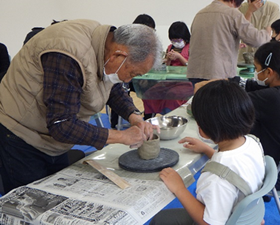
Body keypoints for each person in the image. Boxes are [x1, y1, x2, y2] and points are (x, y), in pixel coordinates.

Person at [0, 19, 163, 194]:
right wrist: (121, 136)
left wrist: (134, 116)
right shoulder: (67, 53)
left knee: (58, 196)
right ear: (118, 56)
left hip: (54, 140)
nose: (128, 80)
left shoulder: (106, 49)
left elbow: (111, 87)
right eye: (132, 73)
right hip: (21, 135)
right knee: (30, 204)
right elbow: (61, 125)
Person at [150, 80, 265, 225]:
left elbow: (209, 223)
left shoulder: (215, 180)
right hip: (244, 216)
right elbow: (233, 173)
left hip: (224, 219)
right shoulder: (253, 142)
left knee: (160, 220)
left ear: (203, 127)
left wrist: (179, 189)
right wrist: (207, 150)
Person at [196, 41, 280, 191]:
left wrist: (204, 93)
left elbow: (232, 101)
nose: (255, 74)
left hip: (277, 172)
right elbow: (245, 84)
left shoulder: (272, 97)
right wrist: (214, 82)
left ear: (269, 72)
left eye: (257, 69)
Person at [187, 0, 271, 86]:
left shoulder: (200, 14)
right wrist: (268, 32)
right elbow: (256, 40)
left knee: (201, 99)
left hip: (195, 73)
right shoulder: (232, 14)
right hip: (217, 74)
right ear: (233, 1)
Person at [110, 14, 156, 129]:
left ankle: (148, 118)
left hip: (133, 79)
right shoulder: (124, 40)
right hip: (121, 78)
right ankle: (115, 124)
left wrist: (134, 115)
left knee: (148, 90)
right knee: (119, 88)